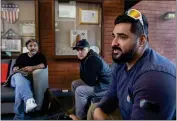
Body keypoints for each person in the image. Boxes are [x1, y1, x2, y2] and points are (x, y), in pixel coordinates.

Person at [70, 9, 176, 120]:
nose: (113, 43)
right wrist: (99, 110)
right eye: (114, 36)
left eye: (122, 37)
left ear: (141, 41)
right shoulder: (121, 63)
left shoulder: (154, 79)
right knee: (94, 109)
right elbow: (111, 95)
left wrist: (102, 118)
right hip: (127, 111)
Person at [70, 39, 112, 119]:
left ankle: (80, 117)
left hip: (105, 87)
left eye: (82, 49)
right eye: (78, 50)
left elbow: (91, 82)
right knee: (74, 84)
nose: (79, 52)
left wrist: (84, 70)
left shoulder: (93, 60)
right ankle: (76, 107)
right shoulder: (86, 58)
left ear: (88, 49)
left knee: (80, 91)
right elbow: (83, 77)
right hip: (98, 83)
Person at [9, 39, 47, 120]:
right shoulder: (22, 56)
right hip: (16, 78)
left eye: (35, 45)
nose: (33, 47)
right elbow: (15, 66)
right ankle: (29, 99)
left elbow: (43, 65)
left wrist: (32, 67)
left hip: (27, 80)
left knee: (19, 89)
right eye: (30, 46)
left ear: (37, 47)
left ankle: (18, 117)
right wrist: (15, 68)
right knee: (19, 77)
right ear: (27, 47)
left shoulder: (40, 56)